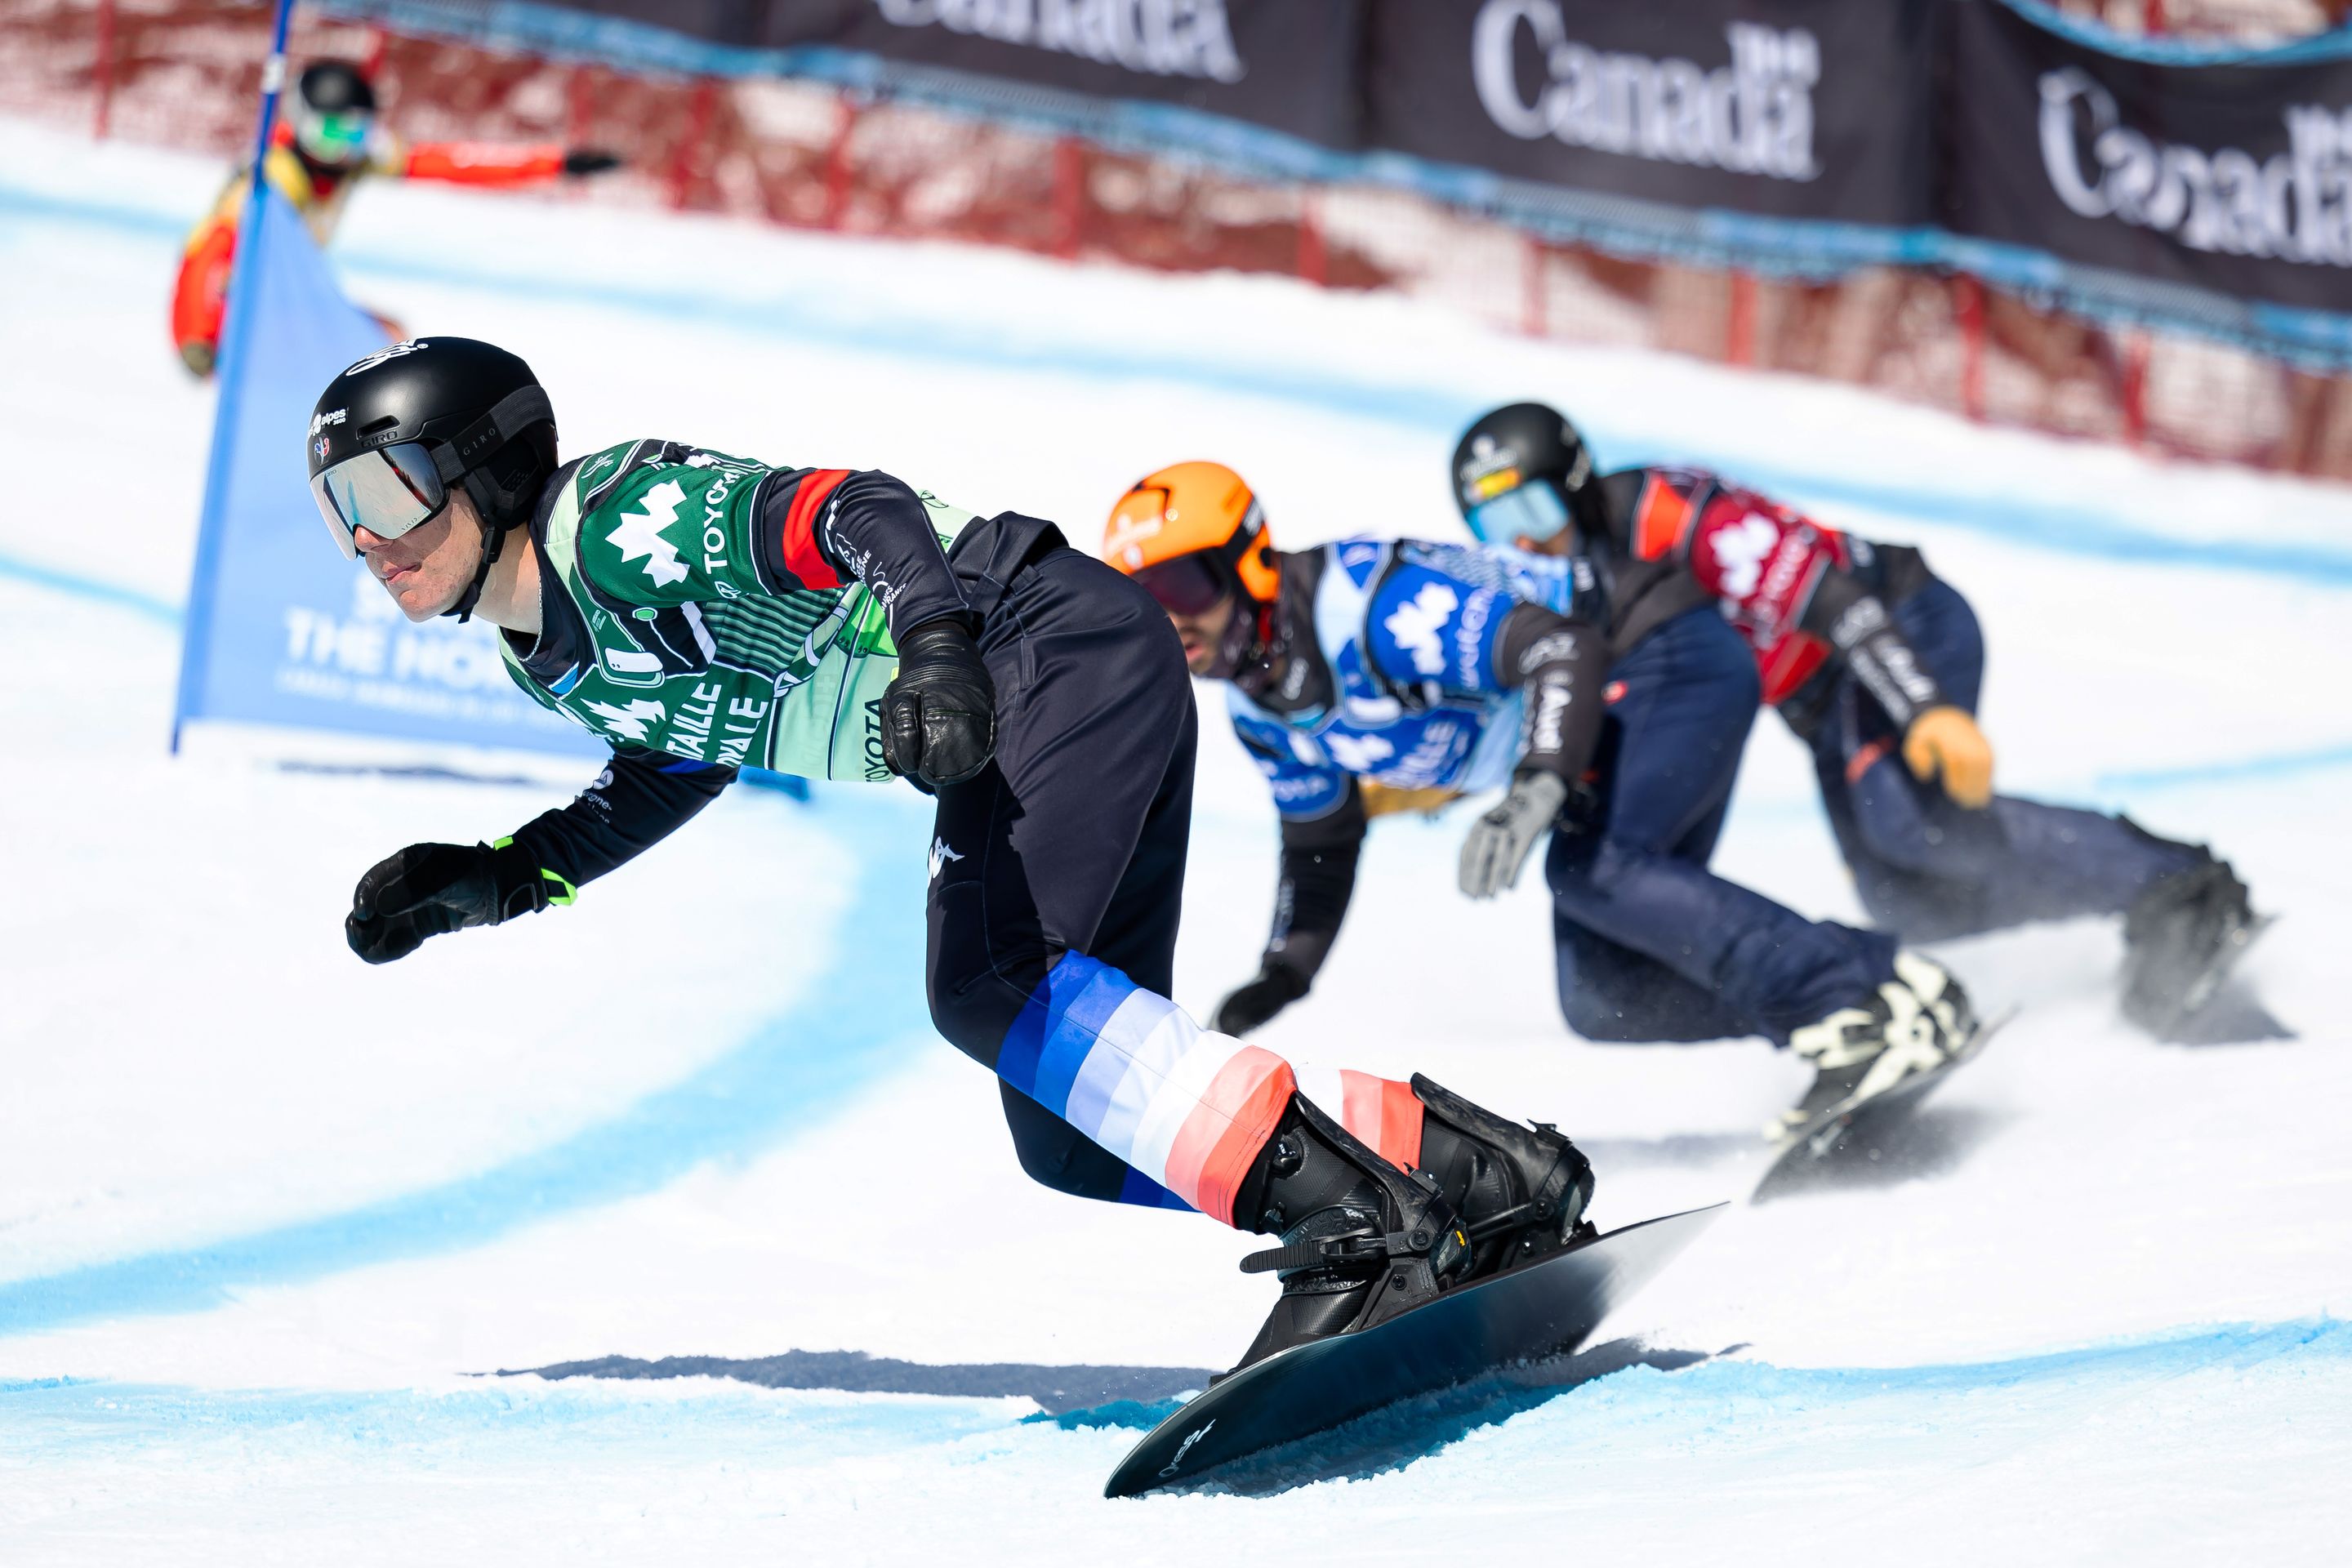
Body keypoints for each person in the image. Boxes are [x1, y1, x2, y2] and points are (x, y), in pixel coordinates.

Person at [304, 336, 1601, 1372]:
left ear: (483, 466)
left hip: (1046, 642)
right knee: (1079, 1128)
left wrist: (933, 644)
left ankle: (1358, 1224)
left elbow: (855, 510)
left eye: (386, 490)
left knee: (989, 983)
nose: (367, 539)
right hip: (1049, 683)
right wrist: (514, 873)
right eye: (337, 510)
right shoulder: (546, 653)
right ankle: (1476, 1176)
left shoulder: (615, 521)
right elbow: (678, 755)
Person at [1101, 461, 1984, 1143]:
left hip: (1662, 651)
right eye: (1142, 602)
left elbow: (1559, 649)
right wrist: (1285, 969)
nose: (1170, 621)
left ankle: (1850, 1005)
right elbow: (1321, 831)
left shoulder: (1364, 606)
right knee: (1604, 995)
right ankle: (1881, 988)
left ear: (1249, 559)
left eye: (1184, 587)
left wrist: (1535, 788)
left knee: (1597, 868)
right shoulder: (1262, 711)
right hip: (1595, 723)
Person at [1454, 401, 2263, 1040]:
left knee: (1910, 826)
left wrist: (1929, 712)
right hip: (1825, 698)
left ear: (1577, 479)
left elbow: (1834, 600)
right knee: (1908, 898)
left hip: (1899, 627)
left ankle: (2181, 889)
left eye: (1530, 503)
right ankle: (2131, 896)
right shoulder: (1564, 579)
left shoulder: (1673, 515)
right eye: (1492, 526)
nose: (1521, 536)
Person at [172, 60, 620, 376]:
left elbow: (450, 164)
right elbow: (209, 250)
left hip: (291, 299)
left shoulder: (354, 162)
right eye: (331, 133)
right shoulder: (278, 175)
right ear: (303, 121)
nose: (344, 149)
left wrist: (552, 164)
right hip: (236, 311)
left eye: (356, 133)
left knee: (387, 341)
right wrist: (197, 335)